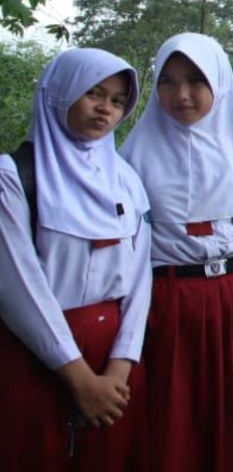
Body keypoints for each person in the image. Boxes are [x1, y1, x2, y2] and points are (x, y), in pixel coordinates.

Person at [121, 33, 233, 472]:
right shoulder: (130, 160)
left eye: (196, 80)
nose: (181, 95)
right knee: (172, 425)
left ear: (219, 83)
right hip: (167, 307)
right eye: (169, 81)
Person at [0, 49, 151, 471]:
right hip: (38, 354)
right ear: (61, 93)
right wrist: (80, 378)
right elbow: (19, 286)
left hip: (112, 359)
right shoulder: (13, 177)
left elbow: (139, 281)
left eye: (118, 100)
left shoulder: (126, 181)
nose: (106, 109)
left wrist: (120, 367)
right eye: (94, 93)